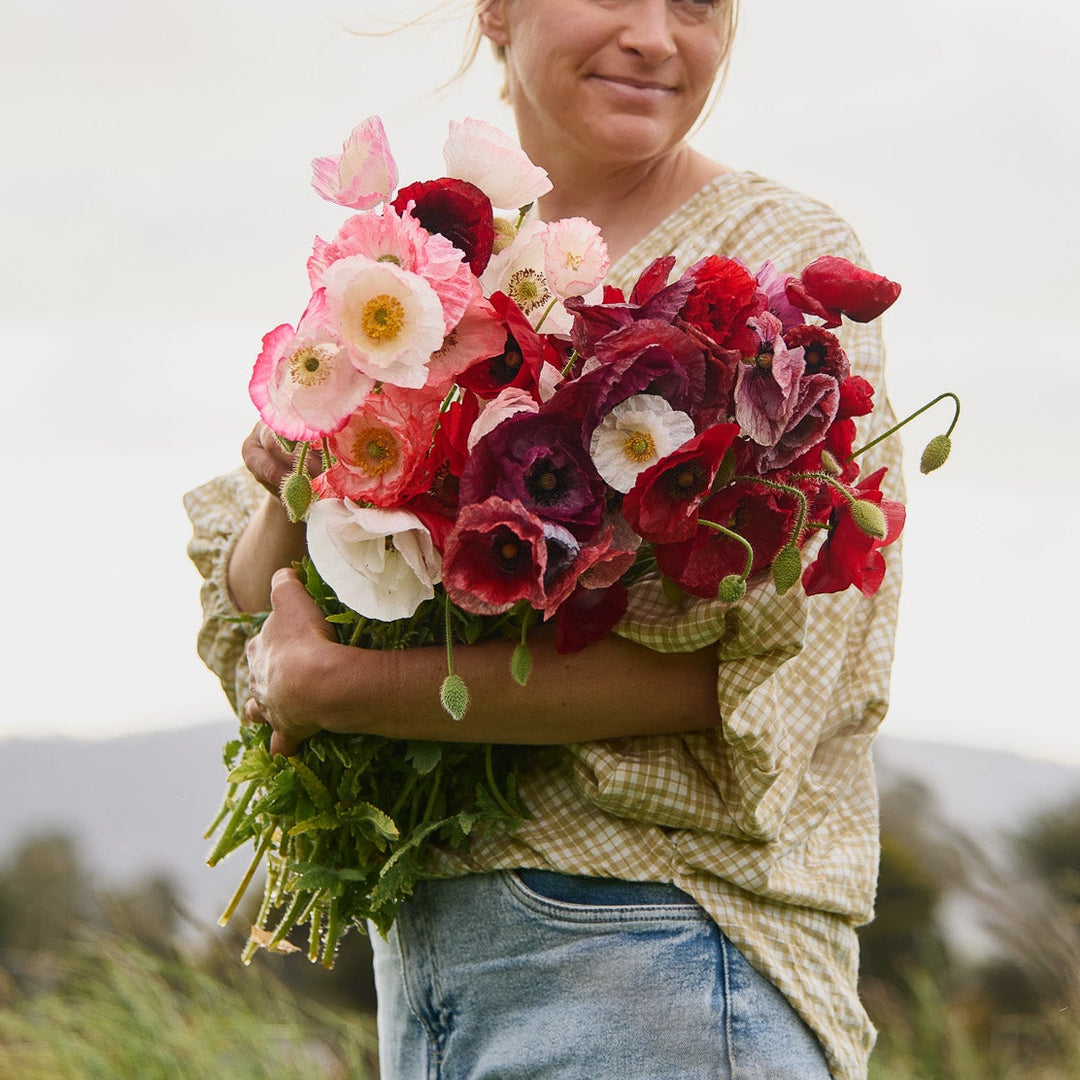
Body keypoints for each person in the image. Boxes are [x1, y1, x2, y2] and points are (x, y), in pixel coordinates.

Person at [185, 1, 904, 1077]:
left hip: (659, 951)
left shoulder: (775, 262)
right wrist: (306, 466)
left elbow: (764, 680)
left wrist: (337, 689)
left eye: (698, 3)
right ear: (498, 10)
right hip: (430, 967)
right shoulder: (422, 270)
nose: (657, 38)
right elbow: (255, 618)